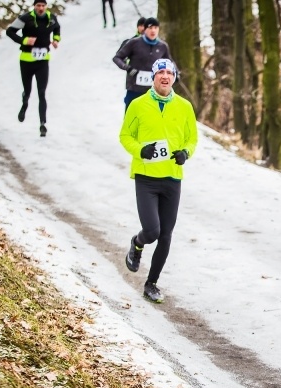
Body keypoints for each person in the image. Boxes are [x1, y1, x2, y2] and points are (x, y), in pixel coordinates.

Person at [120, 59, 198, 303]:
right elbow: (125, 136)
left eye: (169, 73)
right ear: (153, 77)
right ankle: (137, 243)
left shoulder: (184, 106)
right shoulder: (138, 104)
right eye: (160, 72)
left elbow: (192, 139)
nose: (165, 76)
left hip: (172, 178)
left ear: (174, 77)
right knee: (152, 231)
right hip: (146, 178)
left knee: (166, 235)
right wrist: (140, 150)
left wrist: (185, 153)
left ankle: (151, 284)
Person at [5, 0, 61, 137]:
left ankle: (42, 124)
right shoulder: (25, 18)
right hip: (26, 61)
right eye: (38, 5)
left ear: (46, 6)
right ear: (34, 7)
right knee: (28, 91)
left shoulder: (51, 18)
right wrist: (24, 40)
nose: (41, 8)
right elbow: (10, 31)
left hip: (43, 61)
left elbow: (57, 28)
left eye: (43, 5)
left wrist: (56, 40)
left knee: (42, 93)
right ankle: (24, 104)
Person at [113, 17, 173, 111]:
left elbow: (170, 63)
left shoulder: (162, 46)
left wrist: (176, 73)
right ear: (145, 29)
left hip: (153, 90)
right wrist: (128, 68)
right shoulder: (134, 42)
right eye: (150, 28)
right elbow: (117, 58)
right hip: (134, 88)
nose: (153, 30)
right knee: (132, 115)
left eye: (155, 28)